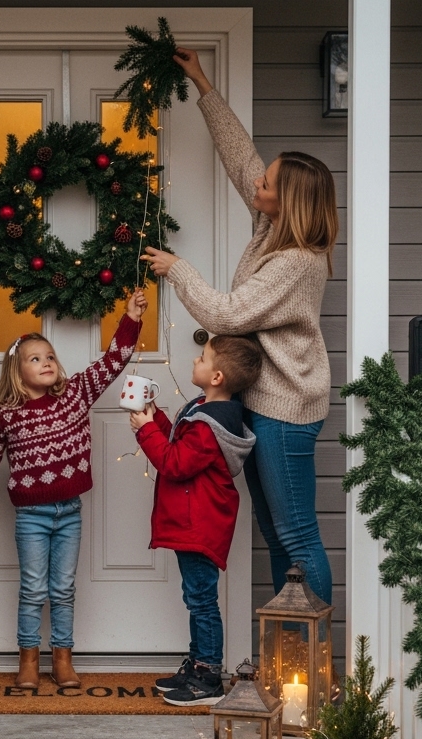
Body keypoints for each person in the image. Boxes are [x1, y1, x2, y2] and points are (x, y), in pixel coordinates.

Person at [142, 48, 338, 605]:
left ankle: (313, 670)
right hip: (265, 407)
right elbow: (240, 158)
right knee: (278, 536)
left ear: (289, 201)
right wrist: (202, 83)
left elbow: (226, 314)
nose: (257, 186)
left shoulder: (297, 261)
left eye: (268, 185)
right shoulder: (269, 229)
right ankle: (288, 664)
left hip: (285, 413)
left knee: (297, 537)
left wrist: (177, 269)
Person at [0, 293, 146, 690]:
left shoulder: (75, 394)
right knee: (33, 588)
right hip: (31, 516)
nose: (46, 362)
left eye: (49, 356)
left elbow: (112, 362)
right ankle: (28, 660)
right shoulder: (6, 415)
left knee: (63, 588)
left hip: (70, 512)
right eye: (35, 358)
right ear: (17, 370)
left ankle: (62, 657)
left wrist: (130, 318)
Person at [130, 336, 261, 705]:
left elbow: (175, 462)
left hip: (200, 523)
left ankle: (209, 677)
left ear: (217, 376)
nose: (195, 361)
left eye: (202, 358)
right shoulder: (204, 408)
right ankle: (197, 664)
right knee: (196, 597)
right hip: (193, 520)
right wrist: (155, 417)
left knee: (201, 600)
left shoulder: (209, 425)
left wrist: (145, 430)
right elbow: (178, 442)